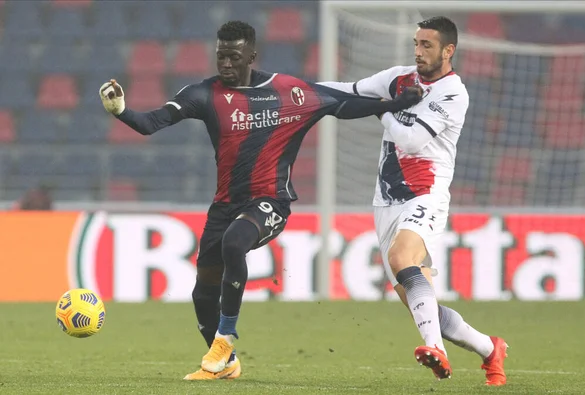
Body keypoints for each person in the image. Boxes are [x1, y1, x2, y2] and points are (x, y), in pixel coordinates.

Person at [99, 21, 423, 381]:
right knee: (203, 294)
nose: (225, 64)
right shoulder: (203, 94)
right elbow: (150, 123)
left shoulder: (289, 91)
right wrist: (120, 111)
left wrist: (394, 103)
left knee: (234, 244)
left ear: (251, 56)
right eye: (220, 56)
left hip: (271, 201)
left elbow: (341, 105)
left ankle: (225, 337)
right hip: (224, 206)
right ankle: (227, 362)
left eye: (233, 57)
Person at [319, 16, 508, 386]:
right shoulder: (399, 78)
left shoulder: (453, 93)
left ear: (448, 50)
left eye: (427, 45)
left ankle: (436, 350)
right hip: (386, 201)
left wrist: (382, 108)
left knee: (401, 258)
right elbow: (349, 88)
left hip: (427, 192)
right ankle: (490, 349)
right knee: (421, 304)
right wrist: (295, 90)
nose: (419, 52)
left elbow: (409, 141)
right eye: (417, 44)